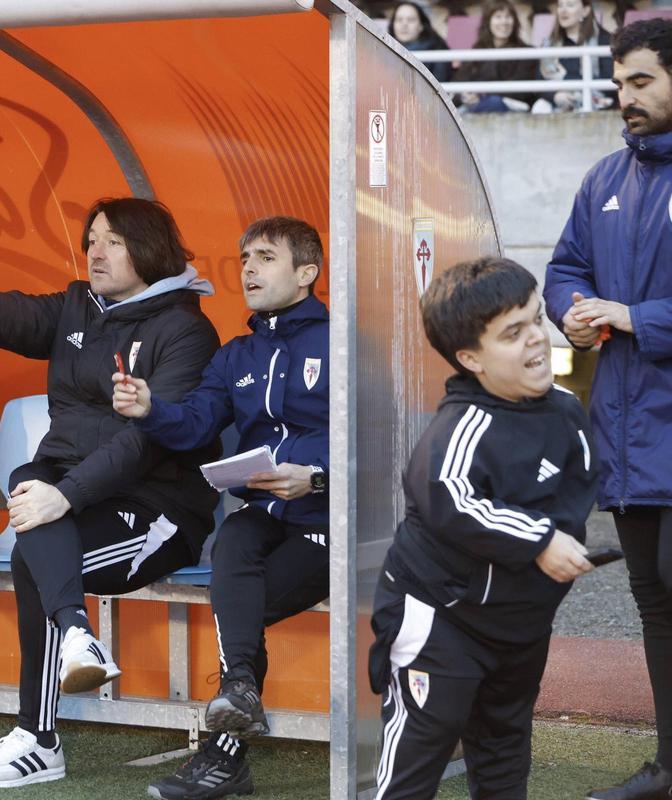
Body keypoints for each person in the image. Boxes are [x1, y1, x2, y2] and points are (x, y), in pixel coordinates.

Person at [0, 197, 221, 788]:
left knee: (32, 555)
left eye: (113, 241)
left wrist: (65, 496)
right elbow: (15, 316)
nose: (96, 250)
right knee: (25, 483)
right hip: (74, 493)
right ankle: (74, 637)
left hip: (156, 510)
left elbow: (144, 443)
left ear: (149, 249)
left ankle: (40, 738)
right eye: (92, 238)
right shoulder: (78, 306)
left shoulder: (186, 329)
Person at [111, 217, 330, 800]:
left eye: (265, 257)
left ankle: (225, 753)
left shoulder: (344, 342)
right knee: (234, 540)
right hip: (264, 512)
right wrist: (152, 408)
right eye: (244, 258)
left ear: (307, 273)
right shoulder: (237, 354)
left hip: (336, 518)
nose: (249, 269)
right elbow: (197, 424)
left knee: (241, 601)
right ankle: (237, 699)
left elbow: (382, 439)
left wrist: (319, 479)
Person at [369, 257, 598, 798]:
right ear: (470, 357)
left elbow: (578, 493)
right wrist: (540, 540)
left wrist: (555, 555)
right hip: (441, 615)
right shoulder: (461, 427)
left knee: (503, 751)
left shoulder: (566, 410)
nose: (537, 341)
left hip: (519, 626)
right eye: (513, 333)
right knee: (416, 757)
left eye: (536, 319)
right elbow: (453, 499)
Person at [544, 18, 672, 799]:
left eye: (642, 82)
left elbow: (633, 311)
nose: (623, 98)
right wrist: (574, 308)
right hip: (627, 433)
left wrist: (635, 317)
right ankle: (668, 767)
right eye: (619, 83)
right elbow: (565, 267)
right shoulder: (604, 180)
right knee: (654, 604)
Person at [454, 1, 539, 113]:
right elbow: (459, 81)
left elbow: (521, 92)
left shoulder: (526, 52)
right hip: (477, 106)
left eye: (508, 17)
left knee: (494, 102)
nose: (504, 22)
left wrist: (481, 94)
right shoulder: (477, 51)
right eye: (498, 17)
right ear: (488, 22)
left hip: (513, 107)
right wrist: (464, 96)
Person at [538, 0, 614, 112]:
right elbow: (539, 80)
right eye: (560, 5)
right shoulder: (550, 43)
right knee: (540, 107)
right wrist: (555, 96)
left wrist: (566, 78)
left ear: (585, 11)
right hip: (559, 103)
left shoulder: (604, 40)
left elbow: (610, 81)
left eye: (570, 5)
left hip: (596, 103)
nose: (563, 10)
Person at [389, 2, 453, 83]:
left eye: (411, 20)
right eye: (399, 19)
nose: (404, 24)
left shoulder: (438, 50)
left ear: (421, 26)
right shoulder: (383, 50)